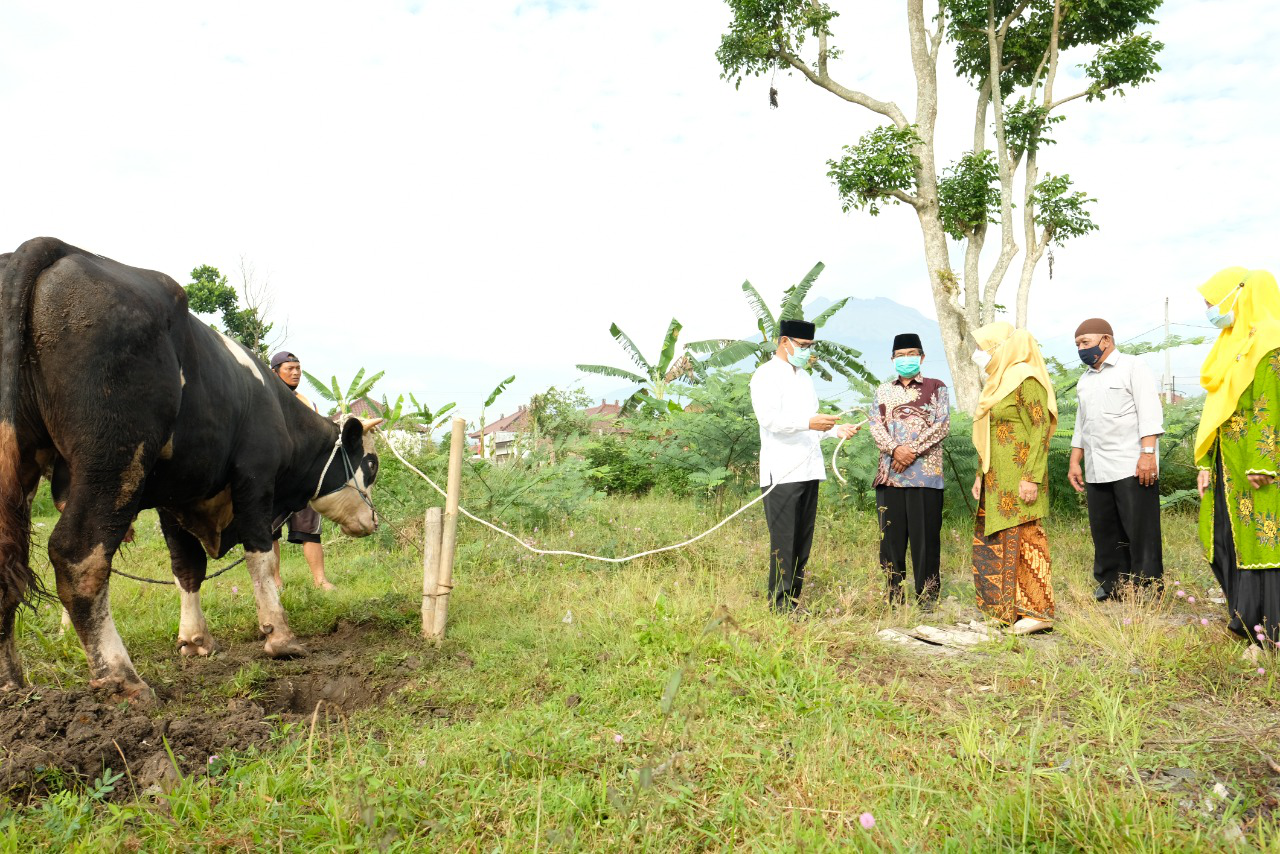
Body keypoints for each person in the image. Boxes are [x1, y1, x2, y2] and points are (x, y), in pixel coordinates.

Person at [1194, 268, 1280, 650]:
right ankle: (1246, 622)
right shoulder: (1232, 343)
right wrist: (1204, 462)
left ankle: (1269, 633)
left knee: (1264, 541)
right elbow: (1218, 409)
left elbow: (1268, 403)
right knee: (1229, 539)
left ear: (1238, 295)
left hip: (1259, 465)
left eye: (1213, 302)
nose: (1211, 311)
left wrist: (1265, 460)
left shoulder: (1270, 338)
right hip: (1227, 462)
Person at [750, 319, 861, 613]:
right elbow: (769, 420)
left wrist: (836, 430)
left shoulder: (805, 378)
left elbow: (813, 422)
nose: (806, 352)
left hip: (809, 468)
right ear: (784, 341)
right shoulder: (766, 375)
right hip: (782, 470)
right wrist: (808, 422)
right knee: (784, 542)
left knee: (802, 541)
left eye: (810, 347)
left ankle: (793, 602)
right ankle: (779, 606)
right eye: (802, 346)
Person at [1068, 318, 1165, 601]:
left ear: (1106, 340)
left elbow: (1149, 412)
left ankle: (1147, 586)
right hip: (1097, 466)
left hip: (1131, 464)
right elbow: (1081, 424)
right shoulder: (1085, 380)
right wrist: (1076, 461)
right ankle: (1113, 584)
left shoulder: (1133, 367)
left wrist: (1147, 455)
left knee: (1140, 528)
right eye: (1077, 345)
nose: (1081, 349)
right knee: (1105, 529)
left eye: (1085, 343)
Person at [969, 322, 1057, 634]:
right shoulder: (997, 382)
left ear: (1001, 347)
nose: (978, 354)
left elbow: (1040, 430)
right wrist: (980, 474)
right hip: (994, 481)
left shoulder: (1026, 379)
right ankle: (1003, 611)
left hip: (1020, 477)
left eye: (983, 347)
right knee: (994, 542)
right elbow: (988, 434)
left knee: (1027, 540)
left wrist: (1031, 477)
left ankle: (1037, 612)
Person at [867, 332, 949, 607]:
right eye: (900, 355)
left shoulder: (937, 387)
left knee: (926, 539)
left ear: (922, 357)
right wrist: (894, 450)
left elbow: (942, 425)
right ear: (892, 359)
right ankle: (895, 597)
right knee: (891, 540)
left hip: (925, 476)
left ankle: (927, 597)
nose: (906, 359)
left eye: (911, 354)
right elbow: (875, 426)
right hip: (890, 477)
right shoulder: (882, 391)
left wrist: (910, 451)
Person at [269, 350, 336, 591]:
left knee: (310, 531)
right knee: (270, 532)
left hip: (303, 478)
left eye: (298, 368)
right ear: (275, 373)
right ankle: (275, 580)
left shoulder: (308, 403)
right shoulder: (266, 400)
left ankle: (320, 580)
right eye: (290, 369)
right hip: (275, 478)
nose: (296, 372)